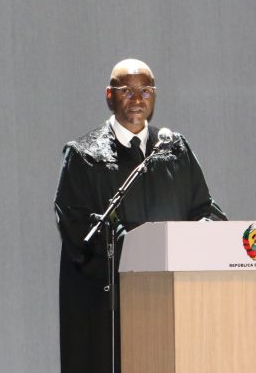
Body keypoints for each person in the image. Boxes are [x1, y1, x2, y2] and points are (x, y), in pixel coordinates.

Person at [53, 58, 226, 373]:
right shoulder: (85, 155)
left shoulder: (174, 150)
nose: (137, 99)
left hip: (172, 296)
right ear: (110, 96)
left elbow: (205, 209)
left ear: (154, 96)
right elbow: (78, 227)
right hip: (110, 305)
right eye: (126, 91)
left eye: (145, 91)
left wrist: (197, 237)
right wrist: (144, 249)